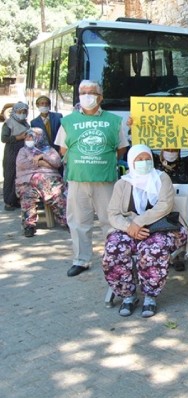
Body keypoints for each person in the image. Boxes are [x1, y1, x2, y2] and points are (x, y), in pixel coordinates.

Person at [102, 145, 188, 318]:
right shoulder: (123, 184)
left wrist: (138, 222)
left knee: (153, 249)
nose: (144, 162)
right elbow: (113, 213)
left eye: (147, 158)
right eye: (139, 159)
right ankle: (128, 295)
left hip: (162, 227)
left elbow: (165, 205)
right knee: (113, 248)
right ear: (131, 162)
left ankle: (150, 296)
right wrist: (129, 227)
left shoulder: (162, 178)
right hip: (130, 229)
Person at [54, 80, 130, 277]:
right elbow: (63, 148)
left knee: (110, 219)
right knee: (78, 221)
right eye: (83, 92)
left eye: (91, 92)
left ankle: (114, 257)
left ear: (100, 97)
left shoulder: (114, 121)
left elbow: (121, 148)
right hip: (78, 179)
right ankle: (81, 260)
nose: (87, 95)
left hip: (105, 180)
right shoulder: (68, 121)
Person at [14, 128, 67, 237]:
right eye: (27, 136)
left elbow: (57, 163)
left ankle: (66, 220)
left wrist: (43, 156)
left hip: (48, 179)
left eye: (31, 137)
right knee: (27, 196)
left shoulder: (49, 150)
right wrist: (43, 163)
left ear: (39, 138)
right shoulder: (23, 151)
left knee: (56, 194)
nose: (28, 139)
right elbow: (21, 164)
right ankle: (29, 226)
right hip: (27, 180)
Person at [2, 102, 31, 211]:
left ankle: (15, 200)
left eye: (24, 112)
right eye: (20, 112)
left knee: (19, 176)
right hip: (12, 151)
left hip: (23, 151)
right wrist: (18, 137)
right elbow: (4, 139)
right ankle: (8, 202)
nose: (22, 114)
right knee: (10, 175)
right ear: (14, 111)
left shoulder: (25, 123)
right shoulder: (8, 123)